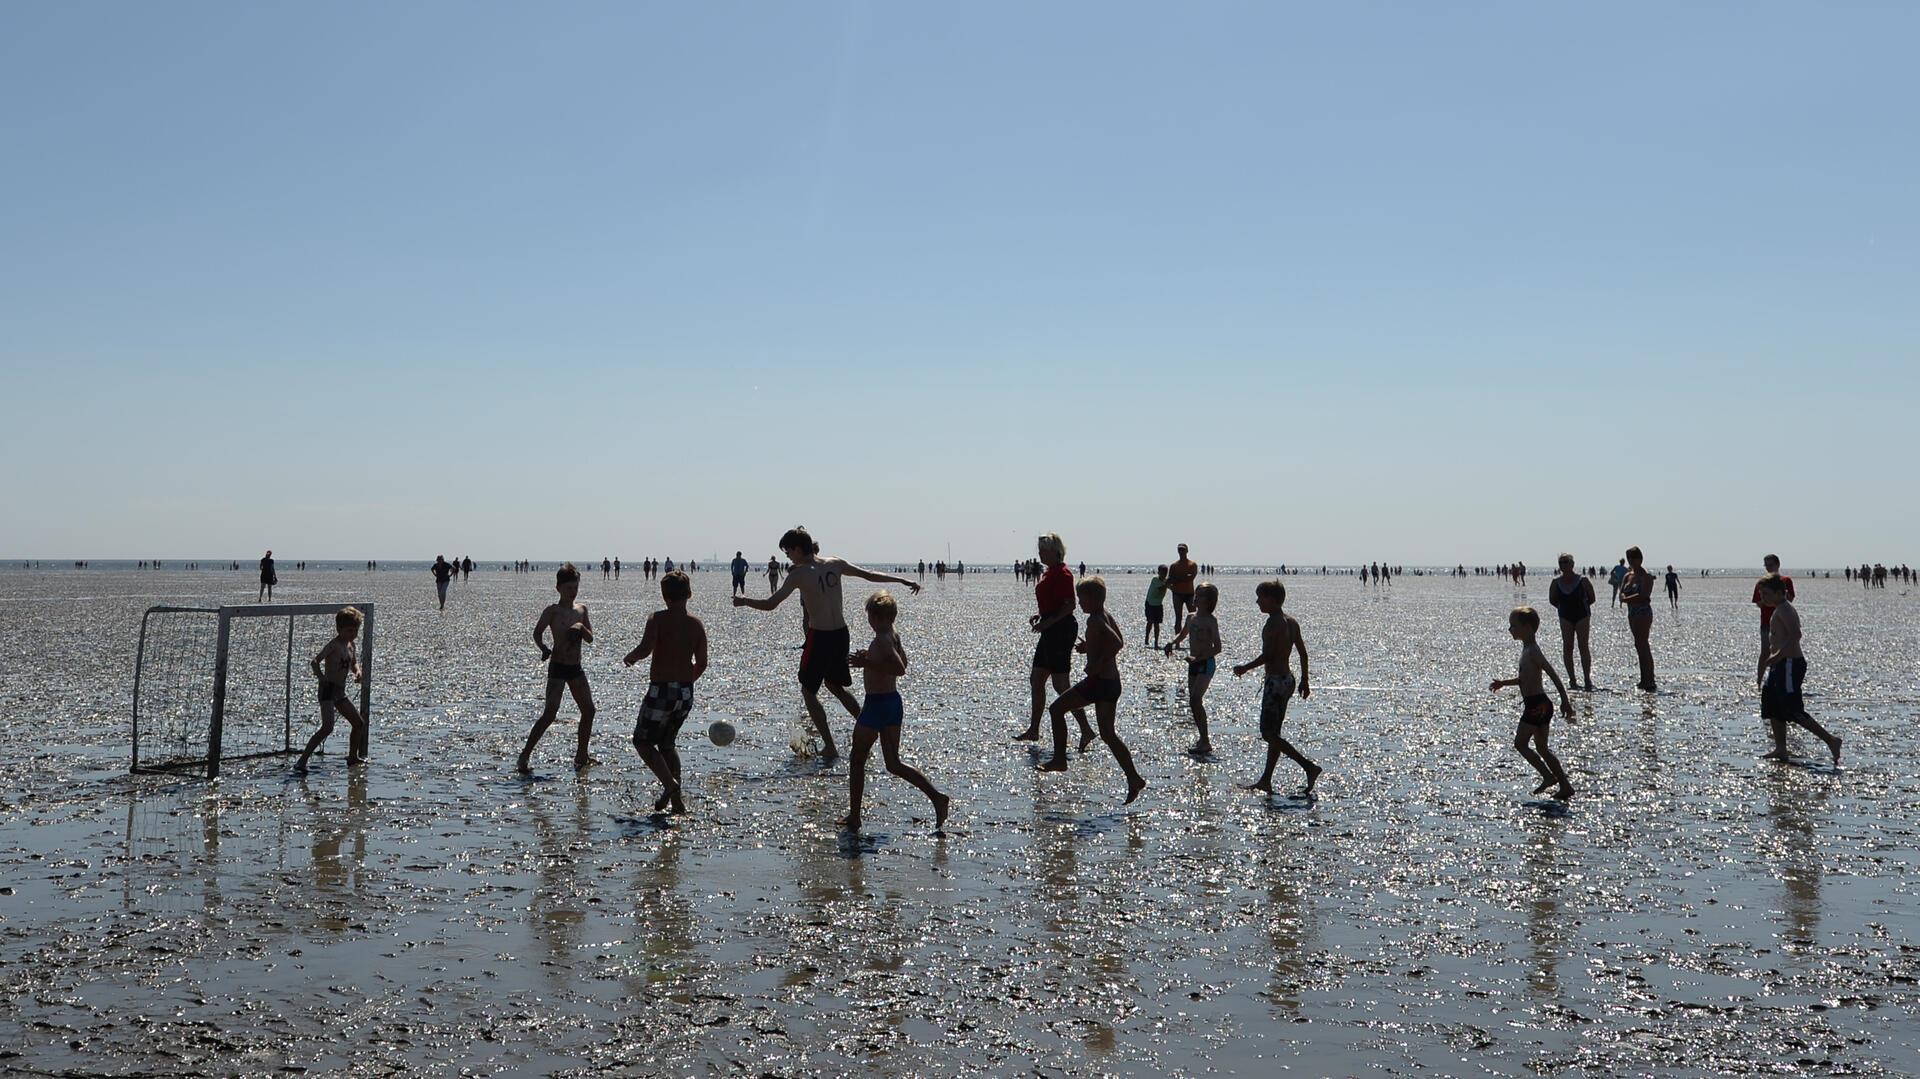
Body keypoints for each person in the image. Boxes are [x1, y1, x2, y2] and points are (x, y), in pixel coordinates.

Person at [732, 527, 921, 761]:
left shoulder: (799, 575)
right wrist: (901, 579)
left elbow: (772, 604)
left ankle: (830, 746)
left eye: (788, 551)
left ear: (798, 548)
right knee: (835, 686)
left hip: (820, 637)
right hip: (841, 635)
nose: (788, 557)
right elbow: (869, 575)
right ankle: (869, 728)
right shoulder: (834, 563)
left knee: (808, 691)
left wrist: (744, 601)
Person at [844, 590, 950, 832]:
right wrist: (870, 657)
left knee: (857, 758)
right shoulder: (893, 635)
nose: (869, 621)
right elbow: (902, 660)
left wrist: (866, 663)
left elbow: (900, 668)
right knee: (893, 763)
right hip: (891, 702)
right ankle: (936, 797)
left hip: (877, 705)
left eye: (870, 616)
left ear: (879, 617)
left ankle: (854, 816)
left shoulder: (882, 638)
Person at [1039, 576, 1147, 804]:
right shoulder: (1104, 616)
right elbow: (1116, 641)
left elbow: (1117, 642)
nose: (1079, 603)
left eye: (1082, 599)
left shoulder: (1095, 620)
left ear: (1095, 599)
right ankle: (1134, 778)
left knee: (1056, 709)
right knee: (1108, 734)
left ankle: (1059, 759)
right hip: (1111, 683)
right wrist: (1089, 648)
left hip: (1098, 682)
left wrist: (1098, 662)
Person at [623, 570, 707, 814]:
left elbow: (646, 647)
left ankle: (669, 784)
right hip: (685, 692)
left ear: (664, 596)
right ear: (689, 594)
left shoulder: (657, 619)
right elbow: (701, 663)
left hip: (661, 691)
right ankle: (677, 802)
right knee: (668, 744)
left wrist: (631, 657)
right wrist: (685, 683)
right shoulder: (696, 624)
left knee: (643, 741)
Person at [1233, 580, 1319, 793]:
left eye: (1260, 597)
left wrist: (1245, 667)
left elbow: (1269, 655)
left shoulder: (1274, 623)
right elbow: (1303, 653)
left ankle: (1308, 766)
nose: (1257, 602)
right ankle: (1266, 780)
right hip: (1288, 680)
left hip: (1275, 682)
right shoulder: (1292, 622)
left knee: (1268, 733)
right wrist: (1304, 680)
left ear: (1272, 600)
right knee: (1275, 733)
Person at [1014, 533, 1093, 747]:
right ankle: (1034, 729)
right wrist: (1042, 616)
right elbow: (1053, 603)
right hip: (1050, 628)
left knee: (1060, 684)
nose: (1039, 553)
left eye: (1043, 550)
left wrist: (1047, 623)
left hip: (1061, 631)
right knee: (1037, 679)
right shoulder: (1049, 573)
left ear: (1055, 551)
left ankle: (1086, 729)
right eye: (1039, 549)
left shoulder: (1063, 573)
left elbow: (1069, 606)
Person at [518, 563, 597, 774]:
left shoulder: (581, 610)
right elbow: (537, 633)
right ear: (559, 588)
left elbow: (590, 638)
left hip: (576, 668)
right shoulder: (553, 611)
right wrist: (543, 648)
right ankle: (524, 755)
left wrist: (580, 628)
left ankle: (582, 754)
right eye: (569, 588)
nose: (573, 592)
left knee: (589, 710)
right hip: (558, 667)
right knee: (550, 713)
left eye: (575, 587)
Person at [1489, 606, 1575, 800]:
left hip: (1538, 705)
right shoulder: (1526, 651)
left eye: (1513, 626)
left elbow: (1552, 674)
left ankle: (1548, 776)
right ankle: (1564, 785)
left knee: (1520, 743)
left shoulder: (1533, 651)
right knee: (1542, 748)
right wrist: (1504, 683)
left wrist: (1565, 701)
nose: (1510, 629)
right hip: (1536, 704)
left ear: (1527, 627)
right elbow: (1523, 679)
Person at [1756, 574, 1841, 766]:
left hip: (1790, 664)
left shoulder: (1786, 610)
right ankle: (1780, 748)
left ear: (1779, 592)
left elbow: (1796, 635)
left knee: (1792, 709)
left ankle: (1831, 740)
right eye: (1762, 594)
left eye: (1767, 594)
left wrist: (1777, 656)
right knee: (1772, 704)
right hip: (1779, 665)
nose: (1764, 598)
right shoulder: (1778, 609)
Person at [295, 606, 367, 772]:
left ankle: (352, 757)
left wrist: (357, 672)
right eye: (349, 630)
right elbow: (315, 661)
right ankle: (302, 760)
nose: (353, 634)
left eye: (355, 631)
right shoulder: (333, 645)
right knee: (327, 727)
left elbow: (353, 662)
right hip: (328, 690)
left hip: (340, 692)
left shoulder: (351, 645)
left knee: (358, 723)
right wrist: (321, 678)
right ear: (339, 629)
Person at [1162, 581, 1221, 755]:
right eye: (1196, 593)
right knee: (1193, 703)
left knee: (1196, 699)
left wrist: (1198, 657)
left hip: (1205, 664)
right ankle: (1202, 738)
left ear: (1209, 601)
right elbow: (1183, 634)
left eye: (1201, 595)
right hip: (1193, 665)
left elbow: (1217, 647)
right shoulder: (1191, 617)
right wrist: (1172, 643)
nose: (1196, 597)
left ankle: (1205, 740)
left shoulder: (1211, 621)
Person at [1547, 553, 1596, 691]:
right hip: (1565, 616)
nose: (1564, 565)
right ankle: (1572, 680)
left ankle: (1587, 678)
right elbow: (1552, 600)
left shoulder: (1583, 580)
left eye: (1566, 562)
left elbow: (1592, 598)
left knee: (1583, 646)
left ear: (1572, 564)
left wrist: (1582, 607)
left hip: (1582, 615)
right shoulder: (1556, 582)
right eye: (1561, 562)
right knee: (1568, 647)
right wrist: (1562, 609)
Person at [1752, 554, 1795, 659]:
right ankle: (1760, 676)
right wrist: (1769, 599)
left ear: (1778, 565)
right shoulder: (1761, 582)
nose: (1768, 568)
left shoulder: (1785, 580)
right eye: (1766, 565)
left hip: (1783, 621)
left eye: (1770, 565)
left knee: (1783, 651)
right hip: (1766, 621)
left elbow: (1790, 599)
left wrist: (1778, 594)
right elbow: (1758, 602)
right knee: (1765, 652)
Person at [1166, 543, 1199, 634]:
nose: (1181, 552)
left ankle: (1195, 637)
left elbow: (1191, 577)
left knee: (1194, 616)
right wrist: (1182, 578)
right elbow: (1169, 580)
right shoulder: (1174, 566)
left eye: (1183, 550)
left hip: (1189, 594)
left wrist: (1178, 578)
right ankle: (1177, 641)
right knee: (1178, 617)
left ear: (1187, 551)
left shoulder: (1192, 564)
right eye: (1180, 550)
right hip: (1177, 593)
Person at [1143, 565, 1169, 649]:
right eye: (1162, 572)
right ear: (1158, 572)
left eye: (1165, 573)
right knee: (1150, 621)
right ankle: (1147, 637)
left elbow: (1171, 587)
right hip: (1150, 603)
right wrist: (1168, 583)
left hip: (1158, 604)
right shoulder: (1155, 579)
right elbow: (1161, 588)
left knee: (1157, 624)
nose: (1164, 574)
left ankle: (1156, 642)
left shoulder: (1165, 581)